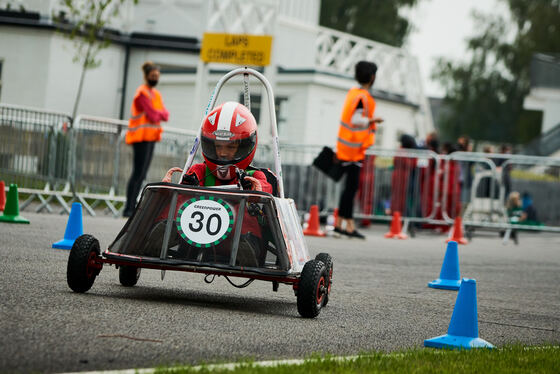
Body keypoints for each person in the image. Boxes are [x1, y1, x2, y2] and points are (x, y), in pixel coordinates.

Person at [162, 101, 273, 266]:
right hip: (192, 236)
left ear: (244, 146)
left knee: (246, 208)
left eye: (230, 147)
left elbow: (266, 187)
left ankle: (245, 246)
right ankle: (164, 230)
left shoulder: (253, 176)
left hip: (235, 238)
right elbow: (183, 189)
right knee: (181, 198)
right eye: (218, 146)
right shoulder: (199, 170)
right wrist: (169, 188)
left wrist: (256, 190)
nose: (222, 152)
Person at [333, 61, 383, 239]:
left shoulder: (353, 93)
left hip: (347, 147)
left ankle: (341, 224)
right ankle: (348, 226)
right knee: (351, 189)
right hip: (353, 150)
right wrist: (372, 120)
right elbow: (356, 120)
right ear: (372, 77)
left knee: (349, 189)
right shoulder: (362, 97)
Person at [123, 61, 169, 217]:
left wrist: (158, 113)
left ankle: (133, 206)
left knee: (142, 174)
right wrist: (158, 113)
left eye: (157, 76)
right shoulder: (142, 92)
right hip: (140, 138)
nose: (155, 78)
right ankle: (128, 207)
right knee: (137, 173)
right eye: (153, 76)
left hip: (150, 138)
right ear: (147, 76)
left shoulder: (156, 94)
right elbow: (153, 115)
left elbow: (165, 115)